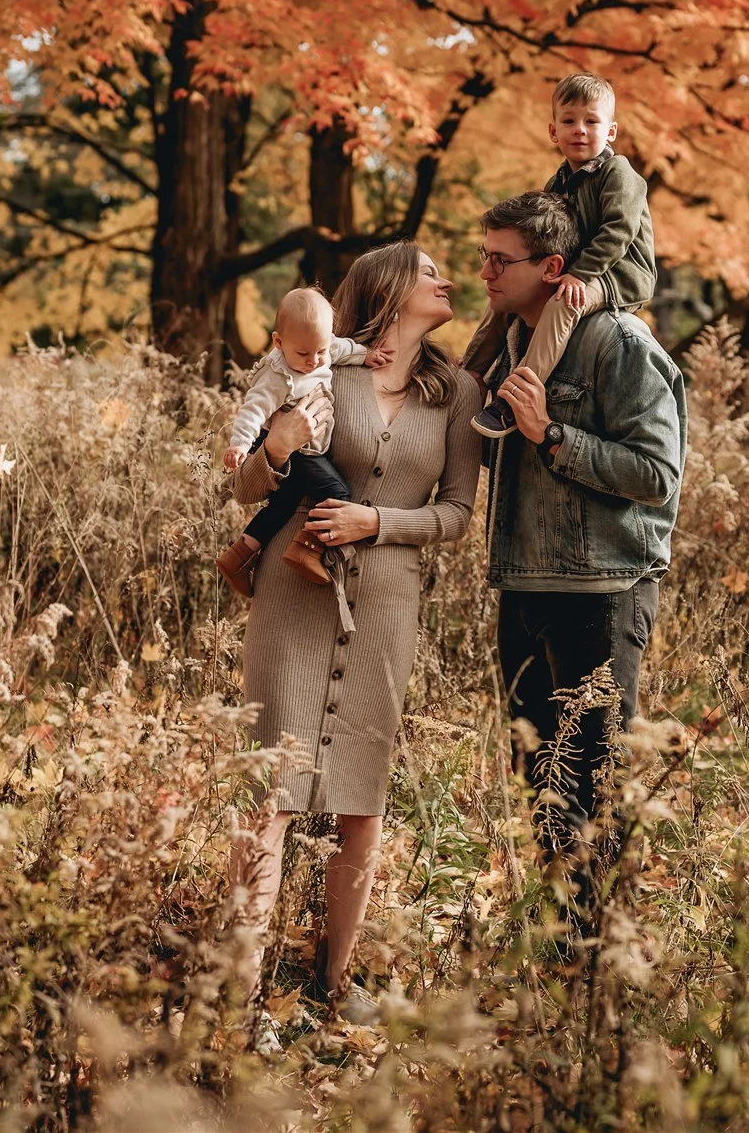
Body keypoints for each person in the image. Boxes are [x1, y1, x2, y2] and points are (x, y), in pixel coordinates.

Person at [222, 243, 484, 1040]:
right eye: (429, 268)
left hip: (386, 607)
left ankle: (333, 985)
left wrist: (380, 522)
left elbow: (458, 514)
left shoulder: (458, 392)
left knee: (360, 803)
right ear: (387, 290)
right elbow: (245, 484)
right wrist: (273, 447)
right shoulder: (321, 370)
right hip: (294, 597)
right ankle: (240, 995)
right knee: (271, 791)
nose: (446, 279)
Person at [475, 191, 685, 877]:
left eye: (500, 260)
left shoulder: (619, 342)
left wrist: (552, 434)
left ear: (553, 266)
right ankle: (558, 949)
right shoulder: (508, 344)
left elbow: (657, 472)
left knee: (594, 778)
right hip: (524, 584)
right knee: (538, 774)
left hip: (602, 591)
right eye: (484, 256)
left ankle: (596, 961)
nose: (486, 272)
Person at [468, 72, 657, 438]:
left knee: (563, 304)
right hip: (577, 268)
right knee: (507, 295)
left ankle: (515, 400)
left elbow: (619, 229)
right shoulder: (558, 182)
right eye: (569, 121)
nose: (580, 130)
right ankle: (470, 373)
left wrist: (581, 275)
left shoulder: (619, 174)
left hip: (620, 274)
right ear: (554, 131)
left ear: (611, 131)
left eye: (591, 121)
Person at [216, 287, 390, 597]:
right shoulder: (277, 375)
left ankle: (240, 556)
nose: (314, 361)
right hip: (285, 443)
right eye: (303, 354)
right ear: (279, 343)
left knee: (284, 502)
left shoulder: (320, 347)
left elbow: (343, 349)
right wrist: (240, 444)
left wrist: (368, 355)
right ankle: (307, 548)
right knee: (337, 493)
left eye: (320, 351)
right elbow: (252, 411)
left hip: (305, 445)